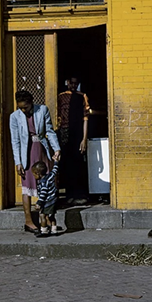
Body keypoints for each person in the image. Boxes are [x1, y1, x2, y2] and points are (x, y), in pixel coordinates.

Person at [9, 89, 61, 234]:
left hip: (42, 150)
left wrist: (56, 149)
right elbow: (15, 141)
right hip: (26, 154)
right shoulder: (14, 117)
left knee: (46, 183)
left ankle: (47, 219)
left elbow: (49, 131)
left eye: (25, 107)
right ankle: (29, 221)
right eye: (20, 107)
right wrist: (18, 162)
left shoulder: (42, 110)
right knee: (27, 186)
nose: (23, 110)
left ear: (31, 103)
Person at [56, 76, 91, 205]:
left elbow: (85, 118)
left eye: (76, 84)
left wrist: (84, 139)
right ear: (67, 83)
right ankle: (68, 195)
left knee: (78, 163)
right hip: (63, 133)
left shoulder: (82, 96)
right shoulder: (60, 97)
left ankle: (79, 194)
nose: (73, 86)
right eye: (71, 83)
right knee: (66, 163)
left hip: (77, 133)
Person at [32, 158, 61, 237]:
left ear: (38, 173)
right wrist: (56, 162)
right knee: (52, 216)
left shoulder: (43, 182)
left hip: (47, 201)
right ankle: (54, 230)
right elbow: (55, 170)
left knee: (42, 215)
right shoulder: (50, 176)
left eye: (34, 174)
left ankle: (44, 230)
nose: (34, 176)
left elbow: (43, 194)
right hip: (54, 200)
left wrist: (39, 203)